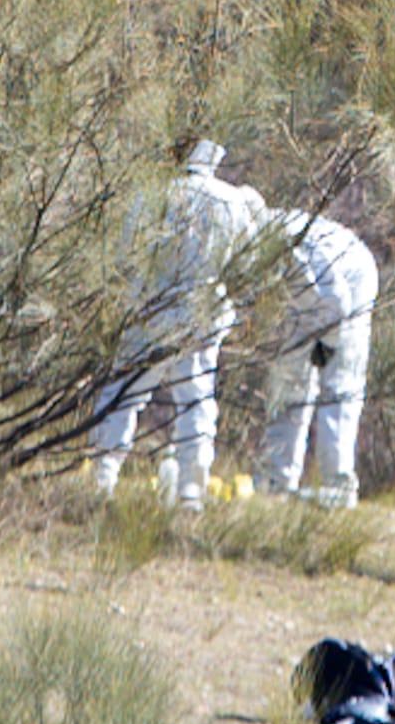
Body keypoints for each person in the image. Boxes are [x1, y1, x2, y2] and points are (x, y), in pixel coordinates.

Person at [90, 139, 263, 511]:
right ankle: (190, 494)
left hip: (148, 313)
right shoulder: (232, 201)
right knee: (196, 404)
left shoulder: (152, 194)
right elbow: (249, 265)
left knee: (123, 398)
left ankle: (103, 482)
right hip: (202, 317)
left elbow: (126, 254)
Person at [255, 207, 378, 509]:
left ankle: (338, 485)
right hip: (315, 293)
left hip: (353, 281)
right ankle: (277, 480)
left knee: (339, 383)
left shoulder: (288, 246)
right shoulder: (260, 241)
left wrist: (326, 345)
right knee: (288, 379)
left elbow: (336, 302)